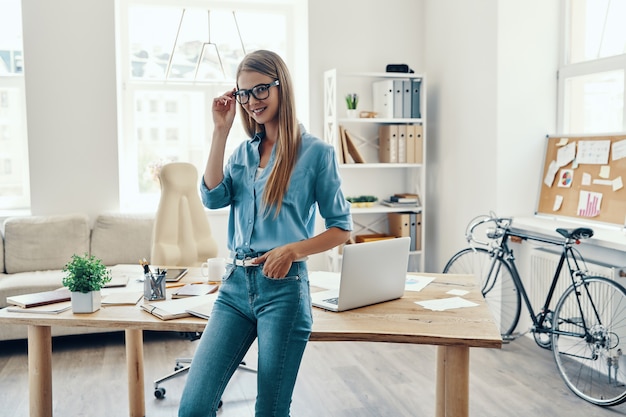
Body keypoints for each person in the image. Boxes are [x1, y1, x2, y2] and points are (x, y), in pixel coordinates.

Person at [178, 50, 352, 417]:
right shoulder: (242, 153)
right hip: (235, 287)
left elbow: (341, 229)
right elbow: (211, 197)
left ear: (280, 88)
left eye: (260, 90)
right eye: (244, 93)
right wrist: (220, 131)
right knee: (193, 408)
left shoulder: (316, 153)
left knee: (270, 410)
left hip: (284, 289)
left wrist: (292, 250)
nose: (252, 101)